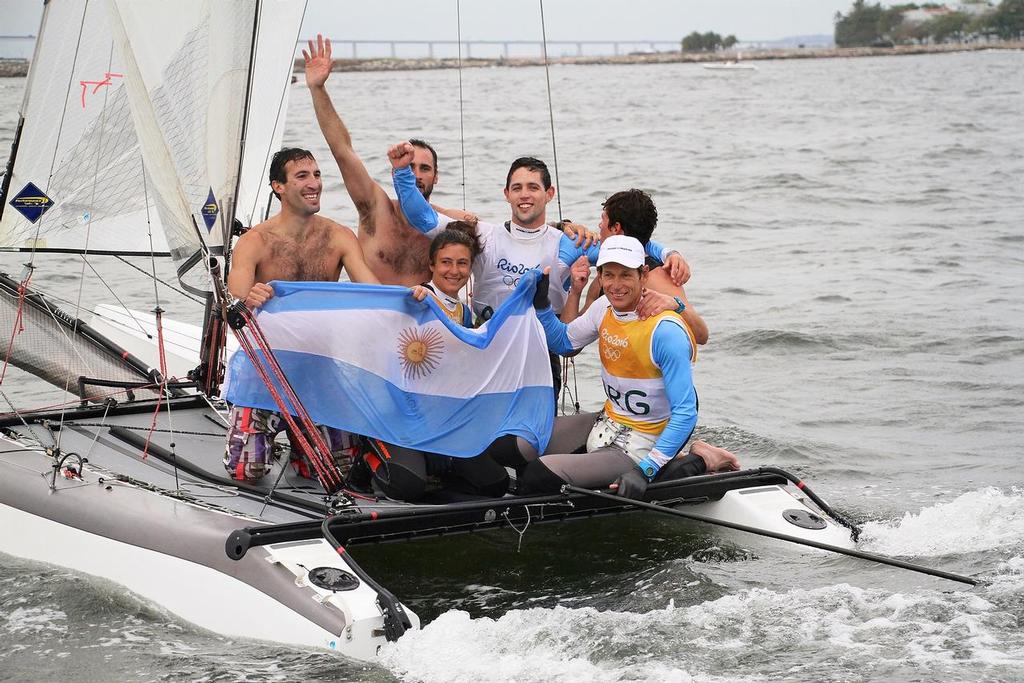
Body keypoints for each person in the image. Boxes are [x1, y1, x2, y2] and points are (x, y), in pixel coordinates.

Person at [497, 236, 740, 499]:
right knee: (508, 445)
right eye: (609, 275)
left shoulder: (665, 331)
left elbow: (686, 413)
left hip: (644, 439)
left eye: (626, 275)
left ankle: (701, 459)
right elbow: (564, 343)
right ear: (599, 276)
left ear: (643, 275)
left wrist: (645, 470)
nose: (616, 285)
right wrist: (542, 304)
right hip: (609, 421)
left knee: (537, 476)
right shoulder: (604, 307)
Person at [223, 147, 379, 482]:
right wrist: (249, 297)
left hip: (318, 368)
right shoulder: (255, 241)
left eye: (317, 175)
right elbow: (234, 299)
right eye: (302, 176)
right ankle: (259, 435)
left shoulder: (338, 236)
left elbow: (373, 293)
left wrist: (413, 297)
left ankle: (301, 445)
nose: (314, 184)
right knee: (246, 472)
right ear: (279, 186)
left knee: (334, 473)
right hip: (265, 370)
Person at [303, 34, 475, 286]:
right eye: (409, 167)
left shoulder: (448, 224)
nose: (416, 174)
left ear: (436, 176)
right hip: (372, 313)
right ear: (397, 172)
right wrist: (317, 89)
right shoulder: (375, 209)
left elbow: (500, 239)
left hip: (418, 321)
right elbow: (342, 151)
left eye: (424, 168)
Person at [362, 224, 510, 502]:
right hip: (398, 420)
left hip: (441, 421)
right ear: (431, 264)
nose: (454, 271)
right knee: (406, 485)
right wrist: (409, 303)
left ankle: (438, 464)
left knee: (495, 483)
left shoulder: (464, 314)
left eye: (462, 263)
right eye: (446, 262)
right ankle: (368, 456)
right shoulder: (415, 300)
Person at [564, 188, 709, 345]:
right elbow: (570, 341)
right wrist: (575, 292)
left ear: (616, 228)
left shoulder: (658, 278)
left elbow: (701, 336)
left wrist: (675, 305)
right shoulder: (602, 282)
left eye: (603, 219)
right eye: (610, 275)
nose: (599, 225)